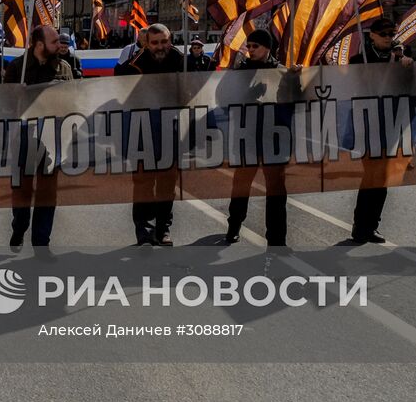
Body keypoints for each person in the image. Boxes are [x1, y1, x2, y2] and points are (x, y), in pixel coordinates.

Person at [114, 23, 209, 244]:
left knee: (167, 184)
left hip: (172, 133)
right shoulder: (134, 66)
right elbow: (122, 97)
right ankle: (143, 229)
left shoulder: (182, 62)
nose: (160, 47)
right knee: (144, 184)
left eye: (164, 41)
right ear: (147, 43)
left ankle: (163, 228)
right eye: (155, 42)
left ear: (171, 40)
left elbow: (197, 95)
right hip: (142, 134)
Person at [2, 25, 74, 249]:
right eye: (54, 42)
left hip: (52, 139)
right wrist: (15, 95)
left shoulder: (63, 68)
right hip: (24, 138)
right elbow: (4, 105)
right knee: (22, 190)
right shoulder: (17, 68)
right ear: (40, 45)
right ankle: (20, 226)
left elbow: (73, 101)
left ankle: (41, 244)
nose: (59, 46)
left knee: (47, 194)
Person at [347, 18, 414, 245]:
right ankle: (360, 225)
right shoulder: (359, 60)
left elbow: (412, 91)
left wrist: (409, 68)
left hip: (391, 125)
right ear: (372, 36)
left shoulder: (400, 60)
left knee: (383, 176)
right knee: (371, 174)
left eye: (391, 33)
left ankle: (372, 225)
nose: (388, 37)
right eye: (383, 33)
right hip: (367, 125)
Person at [224, 28, 287, 247]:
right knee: (241, 185)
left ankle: (277, 240)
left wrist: (296, 80)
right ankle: (234, 226)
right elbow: (227, 100)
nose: (250, 50)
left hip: (274, 138)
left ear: (267, 48)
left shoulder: (281, 71)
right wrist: (250, 93)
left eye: (255, 46)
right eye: (248, 46)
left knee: (276, 190)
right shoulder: (241, 70)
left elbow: (295, 102)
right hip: (247, 136)